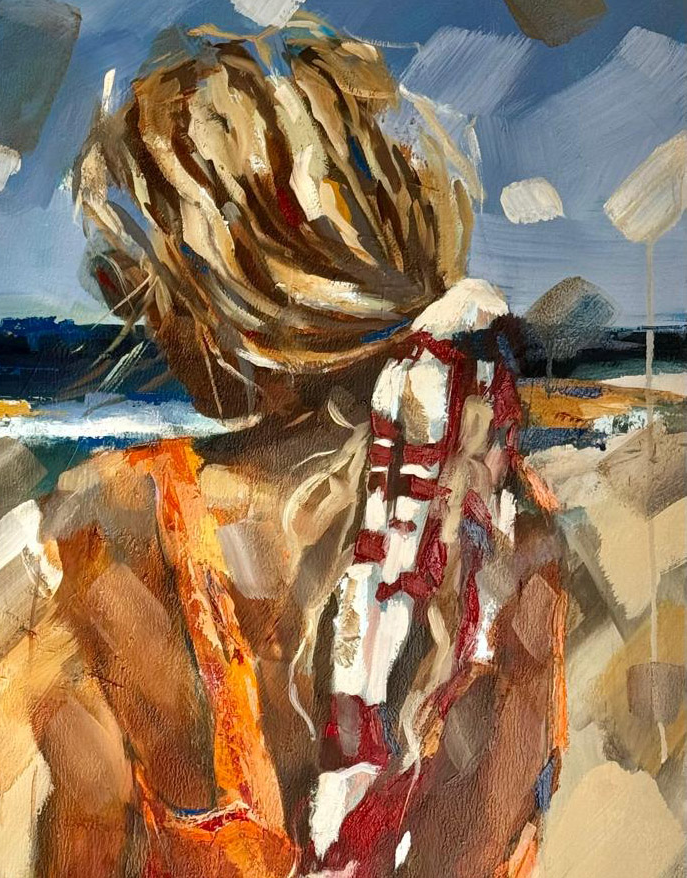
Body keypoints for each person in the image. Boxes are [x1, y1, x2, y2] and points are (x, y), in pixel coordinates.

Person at [32, 16, 566, 877]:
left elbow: (89, 823)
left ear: (232, 290)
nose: (134, 310)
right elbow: (491, 828)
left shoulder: (126, 518)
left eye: (142, 278)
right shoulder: (504, 515)